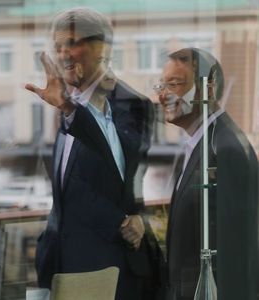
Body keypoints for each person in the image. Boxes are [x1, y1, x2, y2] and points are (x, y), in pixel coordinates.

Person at [25, 7, 156, 299]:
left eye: (72, 43)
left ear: (103, 49)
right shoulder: (67, 103)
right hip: (61, 261)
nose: (63, 54)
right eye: (58, 47)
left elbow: (119, 164)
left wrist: (128, 222)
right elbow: (68, 185)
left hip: (107, 263)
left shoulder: (130, 103)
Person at [156, 48, 258, 299]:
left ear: (208, 89)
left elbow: (237, 251)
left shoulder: (226, 148)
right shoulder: (201, 143)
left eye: (174, 84)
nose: (162, 95)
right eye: (161, 84)